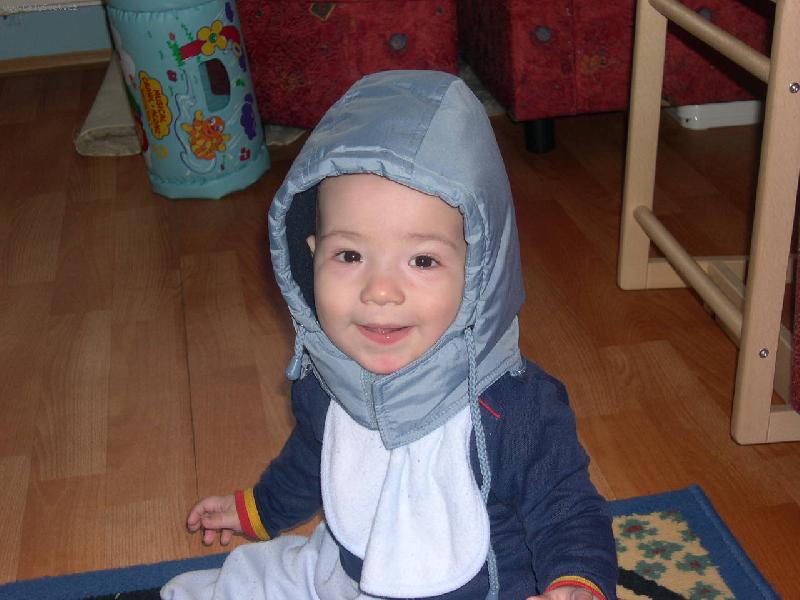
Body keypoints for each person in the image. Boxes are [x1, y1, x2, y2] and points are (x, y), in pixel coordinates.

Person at [162, 70, 617, 600]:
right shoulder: (324, 379)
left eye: (422, 261)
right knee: (233, 585)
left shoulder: (516, 407)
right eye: (349, 255)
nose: (380, 291)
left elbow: (567, 508)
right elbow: (313, 457)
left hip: (482, 589)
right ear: (310, 257)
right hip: (354, 567)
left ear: (479, 270)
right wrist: (258, 509)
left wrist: (577, 583)